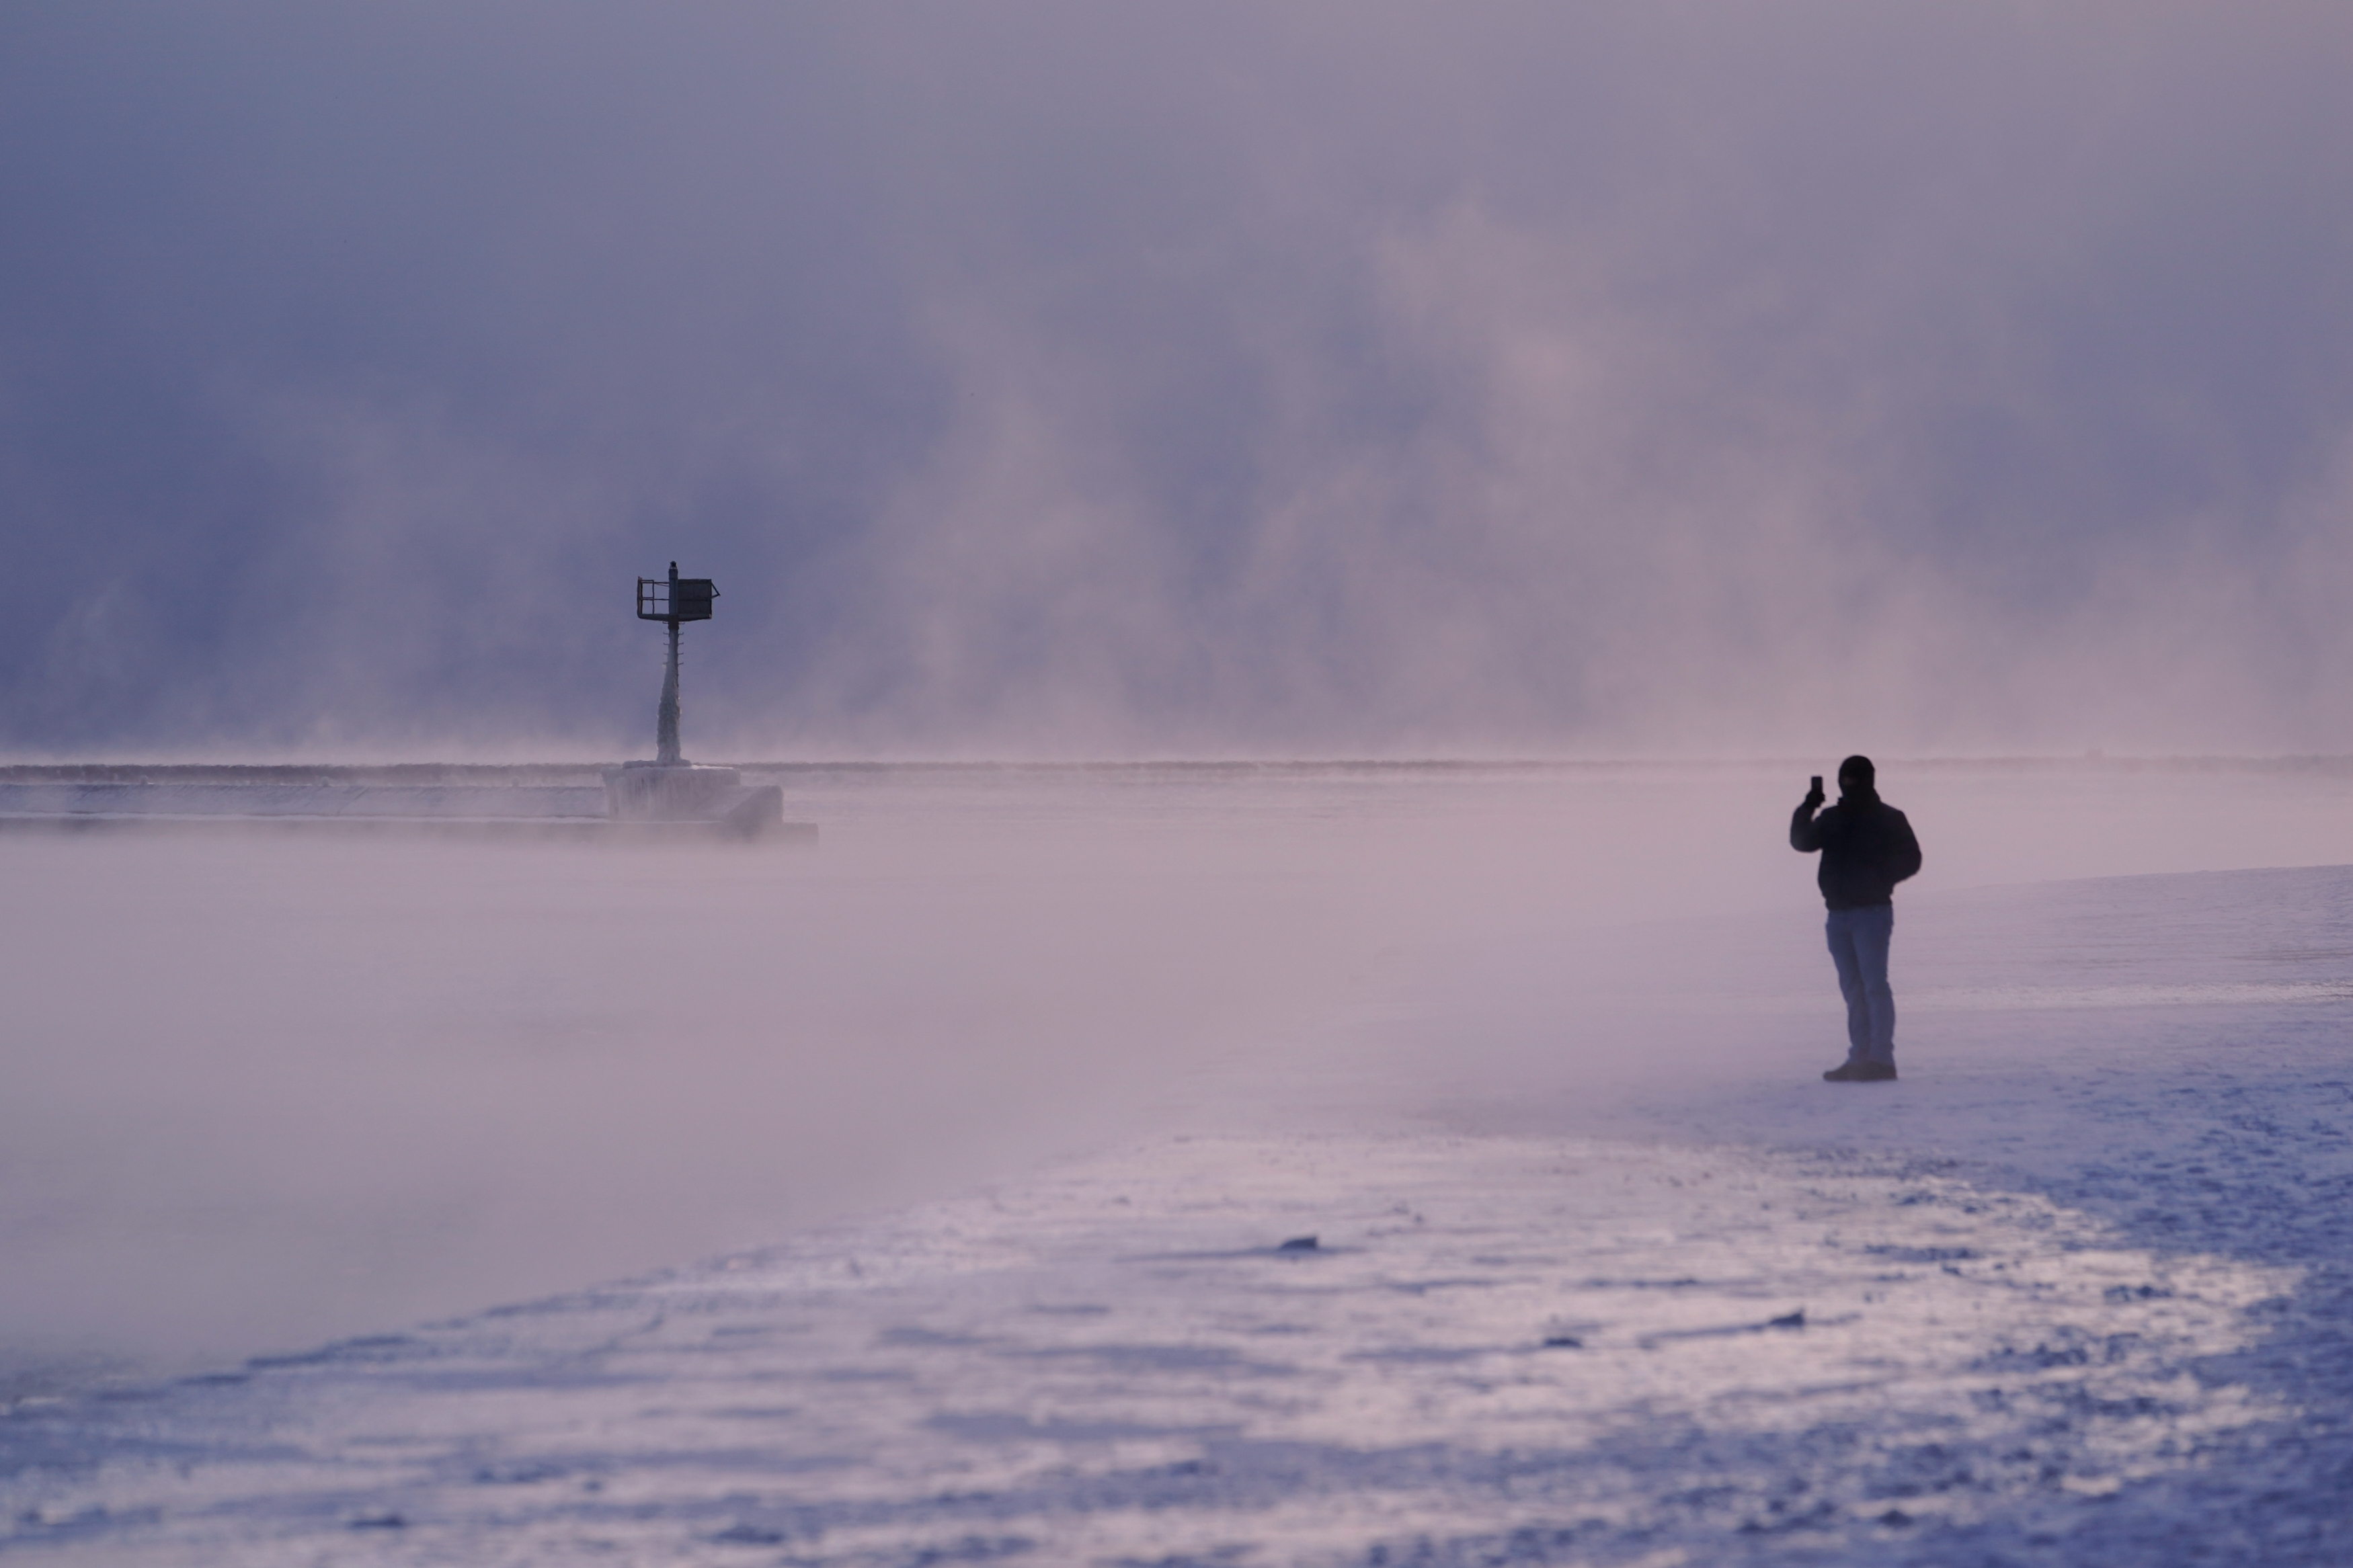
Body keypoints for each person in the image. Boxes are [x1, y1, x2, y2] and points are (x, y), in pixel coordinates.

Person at [1790, 755, 1922, 1082]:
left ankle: (1881, 1059)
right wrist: (1808, 806)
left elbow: (1912, 857)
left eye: (1854, 779)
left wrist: (1881, 879)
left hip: (1872, 913)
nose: (1848, 784)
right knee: (1853, 987)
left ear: (1868, 780)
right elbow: (1801, 842)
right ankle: (1859, 1057)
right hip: (1838, 914)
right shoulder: (1832, 818)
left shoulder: (1889, 817)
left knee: (1874, 985)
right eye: (1845, 779)